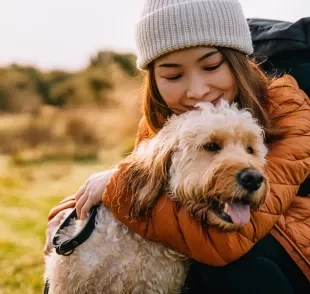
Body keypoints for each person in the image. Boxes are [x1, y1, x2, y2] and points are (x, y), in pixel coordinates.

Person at [45, 0, 310, 292]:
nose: (197, 92)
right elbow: (144, 184)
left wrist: (116, 185)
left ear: (237, 60)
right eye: (173, 75)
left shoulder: (288, 107)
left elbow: (229, 239)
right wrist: (70, 215)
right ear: (155, 81)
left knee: (228, 267)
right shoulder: (166, 120)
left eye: (211, 66)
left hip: (288, 255)